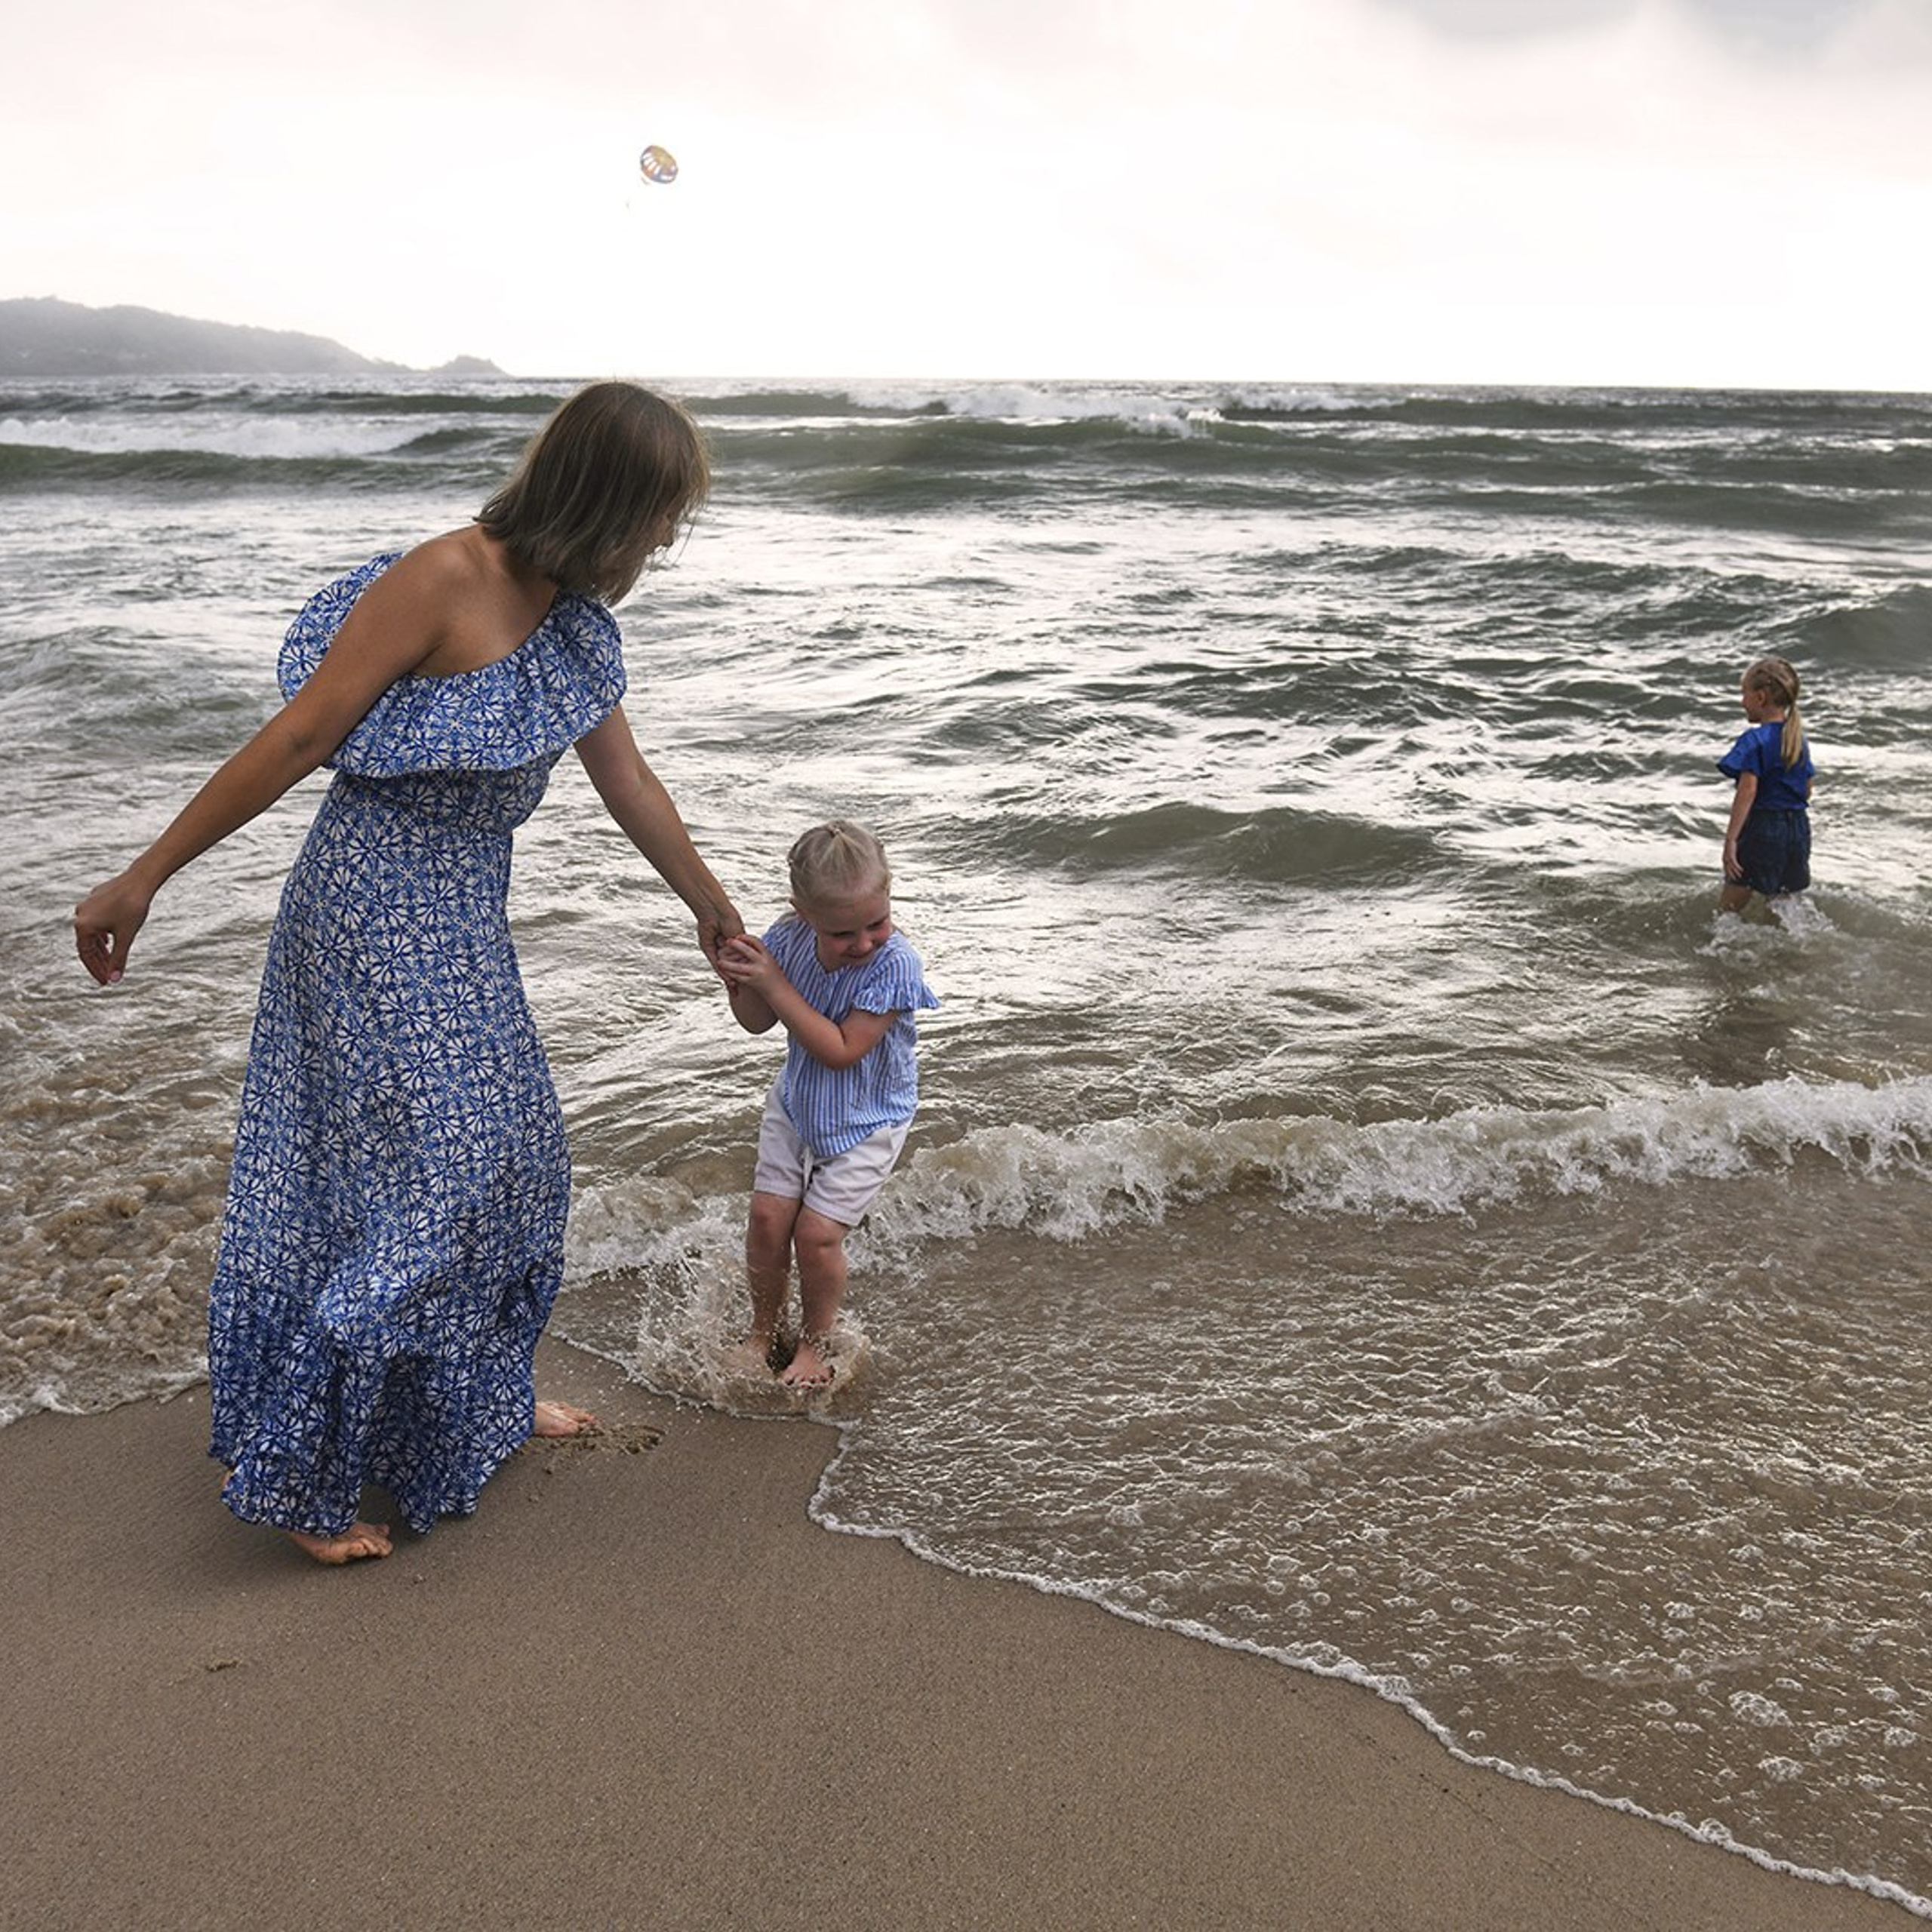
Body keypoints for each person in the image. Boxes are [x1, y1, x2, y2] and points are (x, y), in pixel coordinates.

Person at [72, 382, 743, 1564]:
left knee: (520, 1160)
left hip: (462, 919)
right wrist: (146, 876)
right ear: (607, 500)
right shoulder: (443, 577)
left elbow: (629, 782)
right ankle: (302, 1479)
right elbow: (300, 737)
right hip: (365, 912)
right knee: (445, 1176)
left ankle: (476, 1403)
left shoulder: (573, 623)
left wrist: (714, 913)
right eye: (660, 515)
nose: (665, 539)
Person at [718, 821, 938, 1391]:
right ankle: (763, 1334)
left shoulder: (895, 965)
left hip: (870, 1117)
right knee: (768, 1220)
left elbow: (842, 1050)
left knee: (815, 1234)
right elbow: (757, 1022)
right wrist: (740, 981)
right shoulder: (787, 939)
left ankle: (814, 1345)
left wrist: (775, 985)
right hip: (798, 1103)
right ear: (803, 913)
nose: (863, 943)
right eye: (842, 932)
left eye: (877, 923)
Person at [1716, 655, 1814, 915]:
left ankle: (1720, 938)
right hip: (1798, 830)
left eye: (1744, 694)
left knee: (1728, 909)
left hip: (1764, 828)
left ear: (1760, 698)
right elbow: (1807, 790)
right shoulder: (1797, 740)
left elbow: (1747, 792)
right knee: (1781, 907)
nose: (1742, 702)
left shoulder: (1754, 740)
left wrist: (1731, 841)